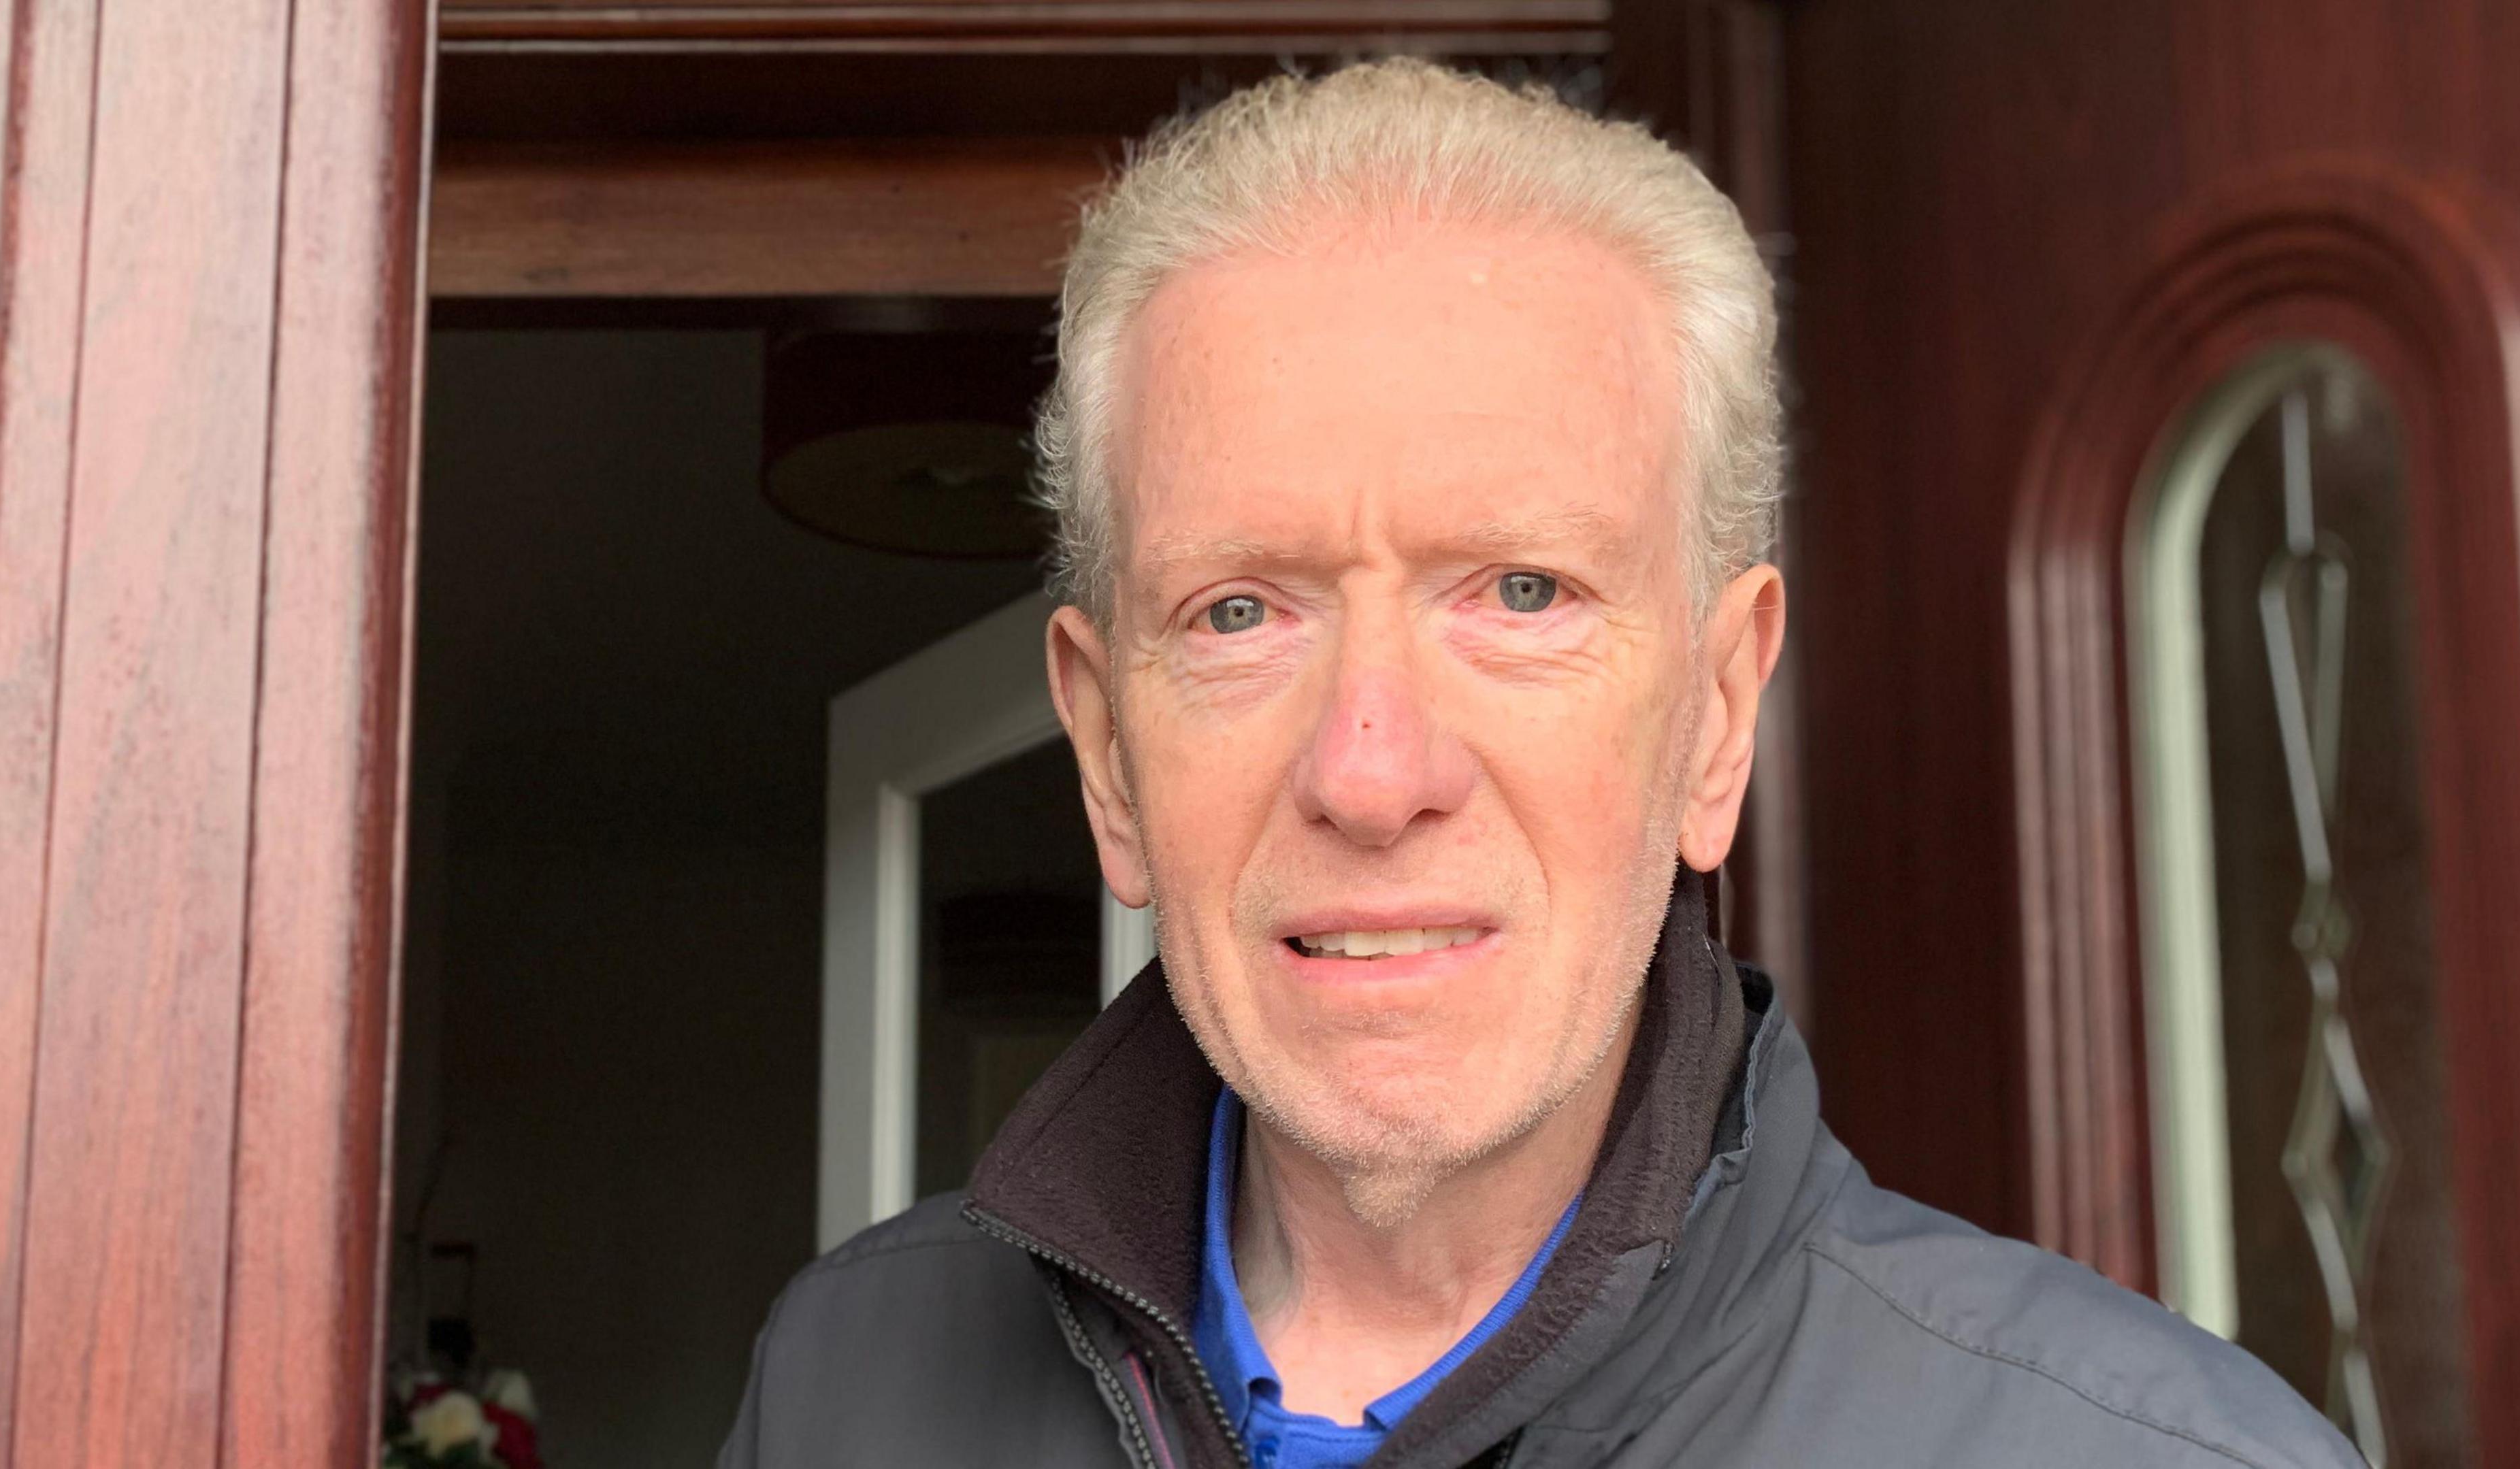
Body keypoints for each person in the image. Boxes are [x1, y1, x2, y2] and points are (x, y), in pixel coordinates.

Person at [719, 59, 2357, 1469]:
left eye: (1519, 594)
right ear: (1107, 758)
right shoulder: (849, 1385)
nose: (1373, 774)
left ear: (1719, 713)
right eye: (1238, 613)